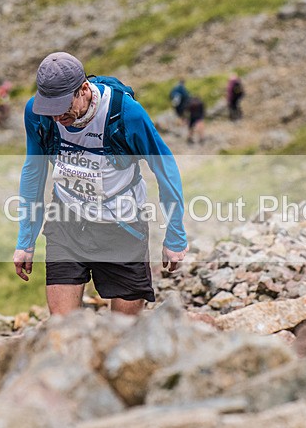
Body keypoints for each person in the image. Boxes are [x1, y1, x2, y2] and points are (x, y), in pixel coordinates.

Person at [12, 52, 189, 316]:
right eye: (49, 110)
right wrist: (25, 241)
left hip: (123, 225)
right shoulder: (37, 114)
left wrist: (175, 236)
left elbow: (165, 168)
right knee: (63, 329)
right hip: (67, 220)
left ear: (84, 89)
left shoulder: (126, 114)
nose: (56, 118)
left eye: (62, 108)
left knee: (123, 332)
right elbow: (33, 172)